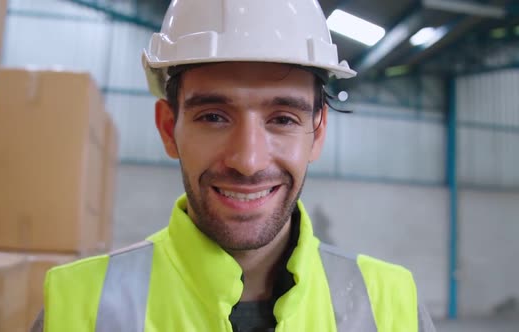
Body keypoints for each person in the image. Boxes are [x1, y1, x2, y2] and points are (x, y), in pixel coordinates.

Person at [32, 0, 436, 331]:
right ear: (169, 129)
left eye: (282, 119)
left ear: (318, 132)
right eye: (213, 116)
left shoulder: (391, 307)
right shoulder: (80, 307)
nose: (248, 161)